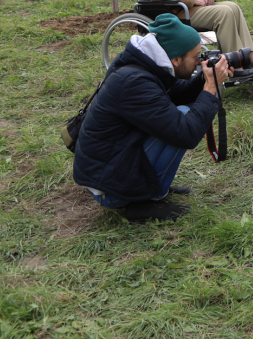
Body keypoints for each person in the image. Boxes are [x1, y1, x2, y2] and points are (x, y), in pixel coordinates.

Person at [73, 14, 231, 222]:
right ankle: (138, 202)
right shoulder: (134, 82)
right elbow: (187, 134)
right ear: (175, 59)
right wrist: (210, 88)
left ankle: (149, 185)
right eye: (194, 57)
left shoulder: (144, 62)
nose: (198, 62)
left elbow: (173, 95)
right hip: (109, 188)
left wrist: (204, 78)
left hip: (112, 163)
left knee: (187, 110)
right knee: (184, 117)